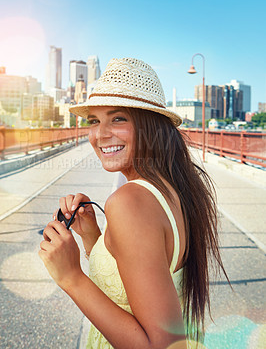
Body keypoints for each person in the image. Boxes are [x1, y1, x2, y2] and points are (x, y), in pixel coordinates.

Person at [39, 58, 228, 349]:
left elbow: (160, 345)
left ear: (151, 125)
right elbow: (133, 281)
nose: (100, 134)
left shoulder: (129, 201)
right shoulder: (176, 187)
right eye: (94, 120)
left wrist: (70, 277)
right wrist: (92, 237)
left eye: (118, 119)